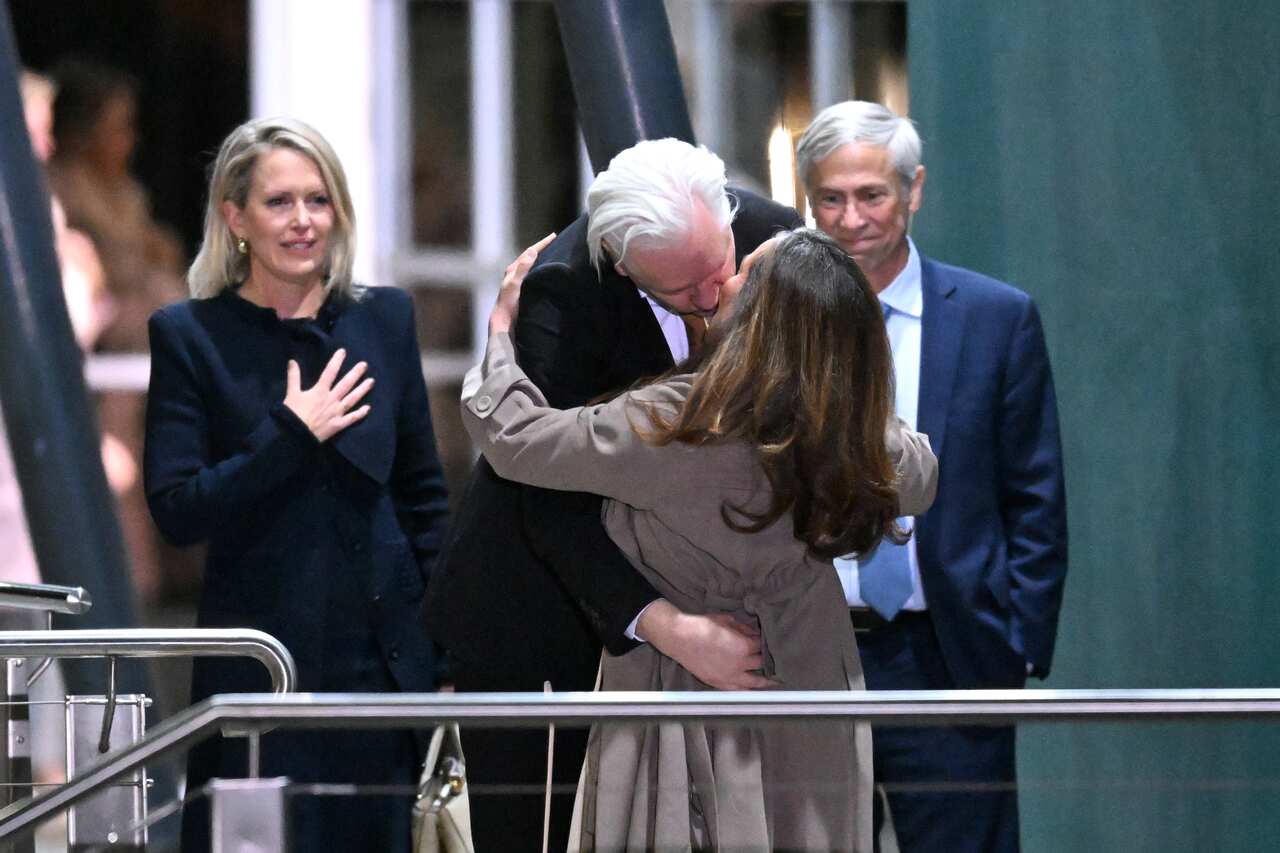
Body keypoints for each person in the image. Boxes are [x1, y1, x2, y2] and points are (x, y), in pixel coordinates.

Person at [462, 227, 937, 853]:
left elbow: (514, 438)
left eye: (745, 272)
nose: (724, 281)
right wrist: (845, 373)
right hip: (812, 677)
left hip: (684, 690)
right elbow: (921, 478)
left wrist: (500, 331)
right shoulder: (853, 439)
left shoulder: (677, 423)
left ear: (762, 318)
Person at [424, 138, 802, 851]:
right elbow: (544, 493)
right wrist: (672, 627)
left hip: (715, 609)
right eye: (682, 290)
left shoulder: (776, 240)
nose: (713, 295)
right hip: (541, 607)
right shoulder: (562, 290)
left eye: (718, 266)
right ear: (624, 265)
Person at [143, 117, 449, 852]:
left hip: (381, 670)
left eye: (319, 199)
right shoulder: (190, 334)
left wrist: (442, 656)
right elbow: (179, 509)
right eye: (280, 202)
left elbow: (424, 498)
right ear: (235, 217)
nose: (304, 220)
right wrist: (289, 432)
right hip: (261, 673)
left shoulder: (386, 318)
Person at [795, 100, 1068, 853]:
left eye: (872, 195)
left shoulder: (995, 317)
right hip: (807, 653)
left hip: (951, 655)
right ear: (807, 200)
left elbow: (1035, 495)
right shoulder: (777, 325)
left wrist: (1016, 641)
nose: (852, 219)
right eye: (831, 198)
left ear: (914, 190)